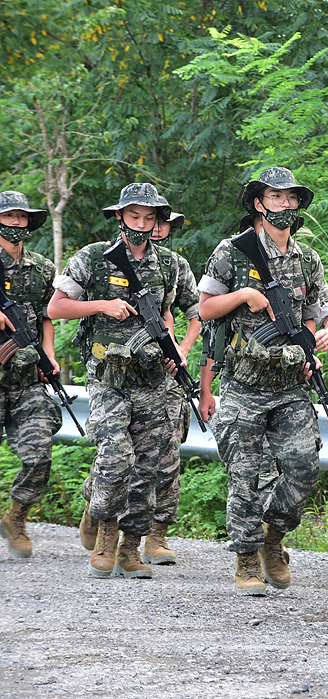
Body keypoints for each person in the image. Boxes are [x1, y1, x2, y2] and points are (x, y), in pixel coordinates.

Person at [197, 166, 328, 596]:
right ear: (259, 203)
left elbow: (319, 313)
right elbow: (204, 310)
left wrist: (322, 337)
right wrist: (243, 295)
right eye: (277, 198)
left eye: (292, 198)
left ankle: (273, 539)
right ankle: (245, 558)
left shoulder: (307, 257)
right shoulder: (231, 252)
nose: (286, 205)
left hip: (292, 385)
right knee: (245, 476)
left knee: (303, 468)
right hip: (243, 386)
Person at [50, 183, 183, 579]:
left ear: (159, 220)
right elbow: (57, 307)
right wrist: (102, 304)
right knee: (115, 456)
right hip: (107, 378)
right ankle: (105, 528)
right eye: (134, 216)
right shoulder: (93, 257)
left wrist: (174, 351)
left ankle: (130, 547)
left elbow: (167, 314)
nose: (142, 224)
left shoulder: (170, 264)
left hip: (153, 379)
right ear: (120, 217)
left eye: (149, 217)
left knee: (149, 467)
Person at [0, 191, 61, 559]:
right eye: (10, 217)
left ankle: (16, 516)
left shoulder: (42, 267)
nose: (17, 224)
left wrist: (48, 355)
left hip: (27, 379)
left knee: (39, 454)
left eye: (22, 218)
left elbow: (48, 316)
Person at [142, 208, 200, 565]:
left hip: (166, 373)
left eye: (164, 223)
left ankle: (157, 533)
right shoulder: (109, 260)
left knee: (168, 453)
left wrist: (182, 350)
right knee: (121, 457)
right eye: (153, 221)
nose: (158, 229)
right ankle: (96, 505)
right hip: (124, 374)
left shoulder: (175, 266)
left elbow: (197, 313)